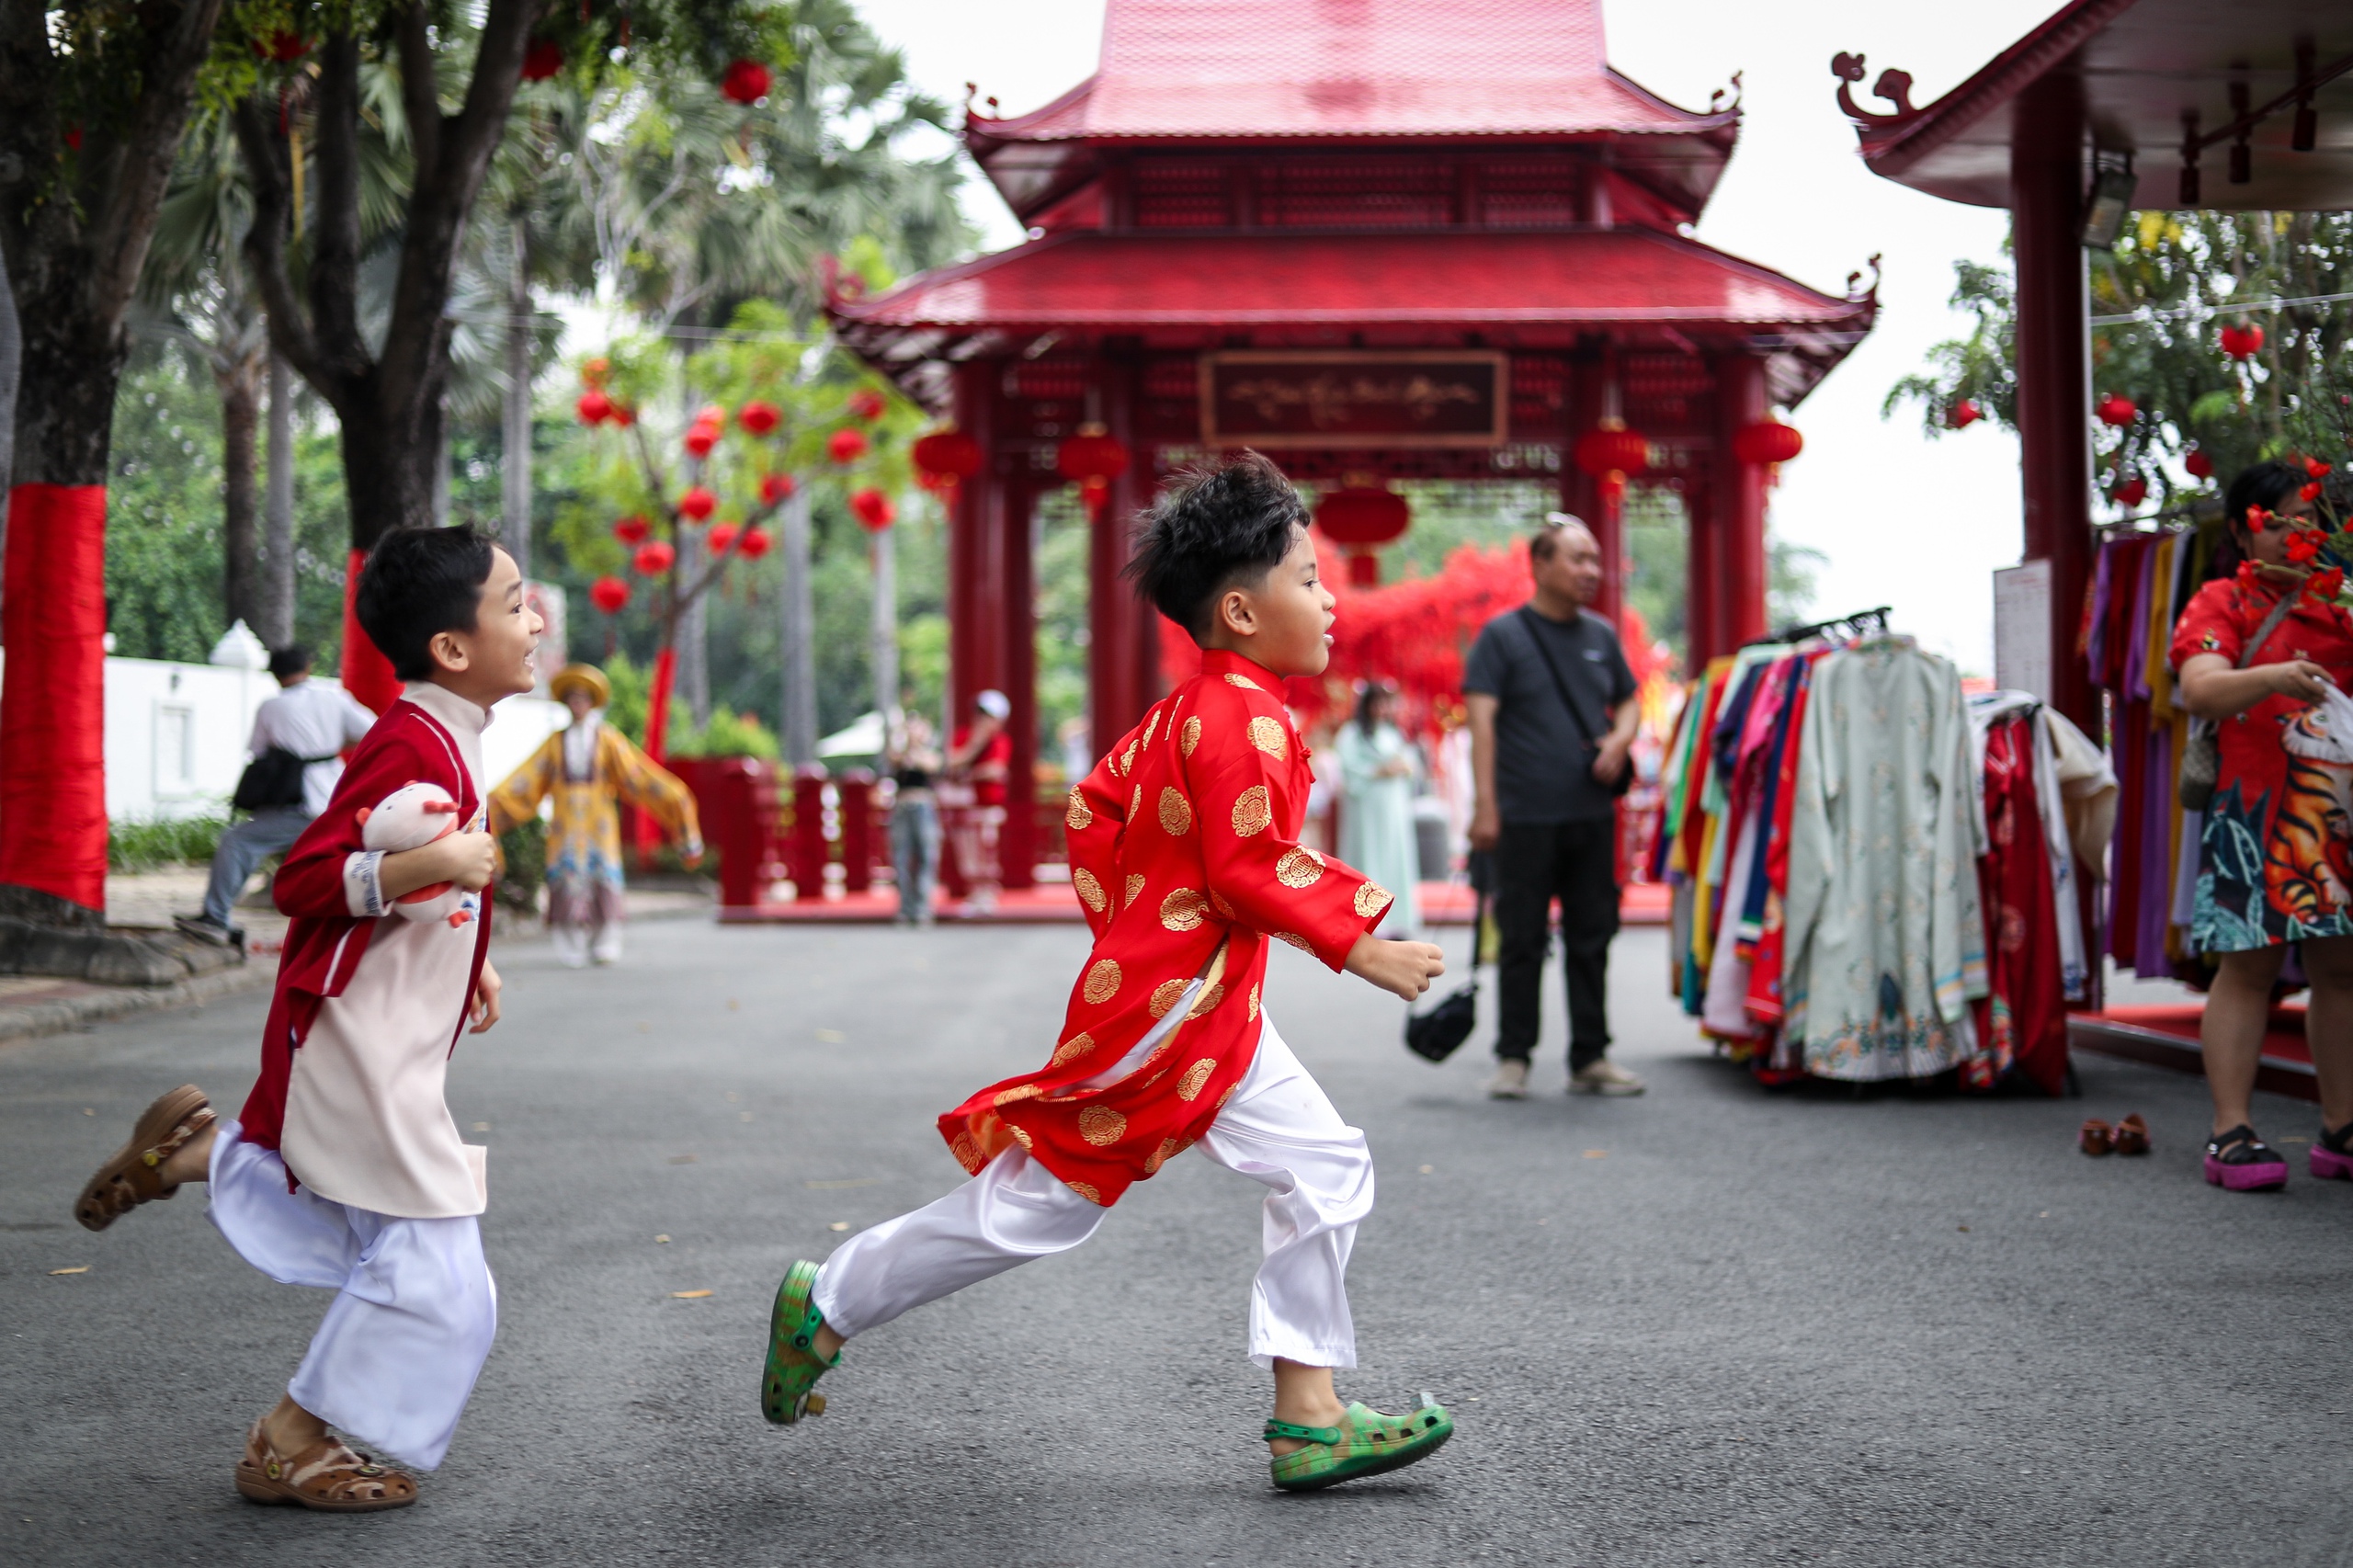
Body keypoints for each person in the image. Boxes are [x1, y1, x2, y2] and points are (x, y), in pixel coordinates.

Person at [757, 453, 1458, 1492]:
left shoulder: (1189, 710)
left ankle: (1309, 1413)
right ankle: (834, 1299)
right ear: (1241, 608)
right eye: (1308, 577)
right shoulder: (1246, 717)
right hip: (1179, 1013)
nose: (1328, 598)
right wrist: (1355, 944)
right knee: (1043, 1203)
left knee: (1322, 1165)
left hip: (1187, 999)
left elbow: (1097, 810)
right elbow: (1243, 861)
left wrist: (1137, 931)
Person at [72, 525, 541, 1512]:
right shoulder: (410, 737)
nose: (535, 618)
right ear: (453, 648)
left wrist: (472, 951)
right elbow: (304, 876)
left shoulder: (447, 732)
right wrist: (435, 869)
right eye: (514, 603)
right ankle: (289, 1439)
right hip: (358, 1046)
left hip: (388, 1042)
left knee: (380, 1227)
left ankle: (194, 1156)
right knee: (437, 1266)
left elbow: (429, 874)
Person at [2171, 460, 2353, 1191]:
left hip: (2337, 816)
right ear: (2245, 537)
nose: (2291, 533)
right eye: (2273, 521)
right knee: (2247, 970)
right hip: (2252, 813)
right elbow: (2200, 689)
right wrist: (2274, 679)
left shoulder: (2342, 604)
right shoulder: (2222, 600)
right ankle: (2230, 1131)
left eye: (2305, 520)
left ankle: (2341, 1127)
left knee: (2342, 970)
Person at [1463, 514, 1645, 1100]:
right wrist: (1486, 806)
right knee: (1521, 937)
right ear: (1540, 565)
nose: (1591, 571)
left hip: (1591, 812)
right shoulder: (1503, 636)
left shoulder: (1601, 635)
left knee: (1593, 935)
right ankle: (1513, 1057)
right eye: (1577, 559)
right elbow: (1482, 724)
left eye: (1594, 559)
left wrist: (1619, 740)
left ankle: (1590, 1057)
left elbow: (1630, 701)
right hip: (1522, 814)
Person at [486, 663, 701, 968]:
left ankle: (606, 942)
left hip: (599, 824)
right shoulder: (555, 743)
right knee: (566, 880)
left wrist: (675, 798)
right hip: (565, 825)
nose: (578, 704)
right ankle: (570, 945)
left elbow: (637, 776)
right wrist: (491, 804)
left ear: (591, 702)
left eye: (583, 698)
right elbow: (526, 782)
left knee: (605, 879)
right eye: (572, 698)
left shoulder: (607, 739)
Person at [176, 644, 375, 949]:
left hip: (301, 803)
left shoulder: (271, 706)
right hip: (335, 799)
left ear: (275, 675)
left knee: (238, 841)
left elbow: (257, 751)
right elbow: (371, 729)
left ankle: (215, 918)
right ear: (308, 666)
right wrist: (332, 742)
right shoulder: (333, 696)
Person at [1335, 682, 1423, 937]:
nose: (1382, 708)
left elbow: (1410, 763)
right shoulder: (1352, 734)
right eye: (1378, 702)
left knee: (1395, 858)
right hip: (1367, 810)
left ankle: (1397, 918)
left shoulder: (1392, 733)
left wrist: (1404, 767)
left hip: (1393, 808)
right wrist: (1378, 771)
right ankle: (1366, 917)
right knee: (1369, 857)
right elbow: (1349, 770)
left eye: (1386, 702)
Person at [946, 687, 1012, 914]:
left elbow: (996, 770)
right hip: (966, 806)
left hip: (989, 806)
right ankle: (974, 894)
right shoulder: (964, 736)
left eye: (988, 715)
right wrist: (974, 745)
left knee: (987, 850)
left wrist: (969, 773)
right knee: (968, 851)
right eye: (980, 713)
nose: (982, 720)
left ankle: (988, 894)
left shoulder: (1000, 741)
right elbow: (952, 762)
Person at [885, 705, 945, 926]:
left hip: (924, 805)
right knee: (900, 857)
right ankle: (905, 907)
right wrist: (901, 737)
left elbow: (931, 766)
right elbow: (893, 760)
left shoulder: (929, 753)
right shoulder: (899, 753)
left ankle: (922, 907)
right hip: (901, 805)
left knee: (927, 856)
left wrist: (917, 745)